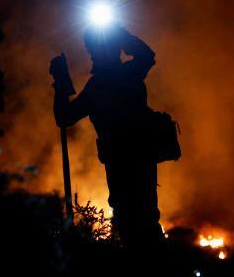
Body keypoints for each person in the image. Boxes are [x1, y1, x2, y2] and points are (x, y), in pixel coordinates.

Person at [50, 26, 164, 250]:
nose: (92, 55)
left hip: (121, 161)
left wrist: (60, 84)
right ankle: (155, 269)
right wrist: (120, 34)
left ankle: (145, 267)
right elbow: (147, 56)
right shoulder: (130, 73)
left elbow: (64, 117)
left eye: (92, 50)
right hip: (140, 158)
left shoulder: (98, 86)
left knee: (130, 217)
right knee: (144, 216)